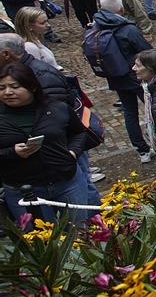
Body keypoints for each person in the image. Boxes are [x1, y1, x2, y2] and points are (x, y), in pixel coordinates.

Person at [0, 62, 91, 223]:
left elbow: (78, 132)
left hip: (67, 183)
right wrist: (12, 153)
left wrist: (72, 152)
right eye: (2, 88)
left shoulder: (57, 108)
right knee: (43, 243)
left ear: (32, 87)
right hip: (22, 190)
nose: (8, 92)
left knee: (78, 235)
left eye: (15, 87)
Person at [83, 0, 154, 163]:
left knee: (130, 113)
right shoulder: (127, 28)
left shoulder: (95, 28)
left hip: (116, 77)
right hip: (137, 75)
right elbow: (146, 51)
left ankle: (142, 151)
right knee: (152, 110)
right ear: (121, 9)